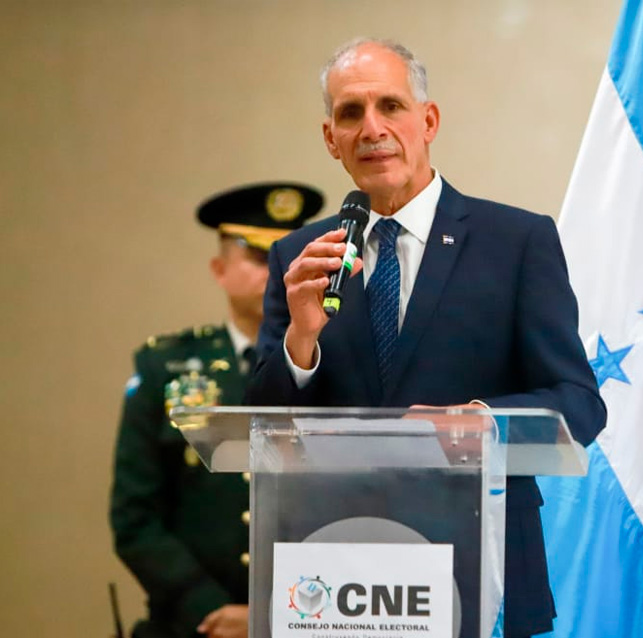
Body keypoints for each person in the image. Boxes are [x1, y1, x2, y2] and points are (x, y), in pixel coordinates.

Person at [247, 39, 607, 638]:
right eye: (351, 113)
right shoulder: (301, 256)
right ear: (331, 138)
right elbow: (258, 429)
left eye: (390, 106)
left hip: (482, 566)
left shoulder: (515, 242)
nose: (372, 129)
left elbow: (579, 403)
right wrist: (301, 339)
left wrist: (479, 422)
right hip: (337, 575)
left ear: (429, 121)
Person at [110, 182, 323, 638]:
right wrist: (206, 608)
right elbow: (135, 516)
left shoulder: (331, 365)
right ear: (219, 270)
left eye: (287, 256)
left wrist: (278, 613)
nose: (275, 270)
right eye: (259, 257)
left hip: (307, 613)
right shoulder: (166, 368)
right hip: (194, 623)